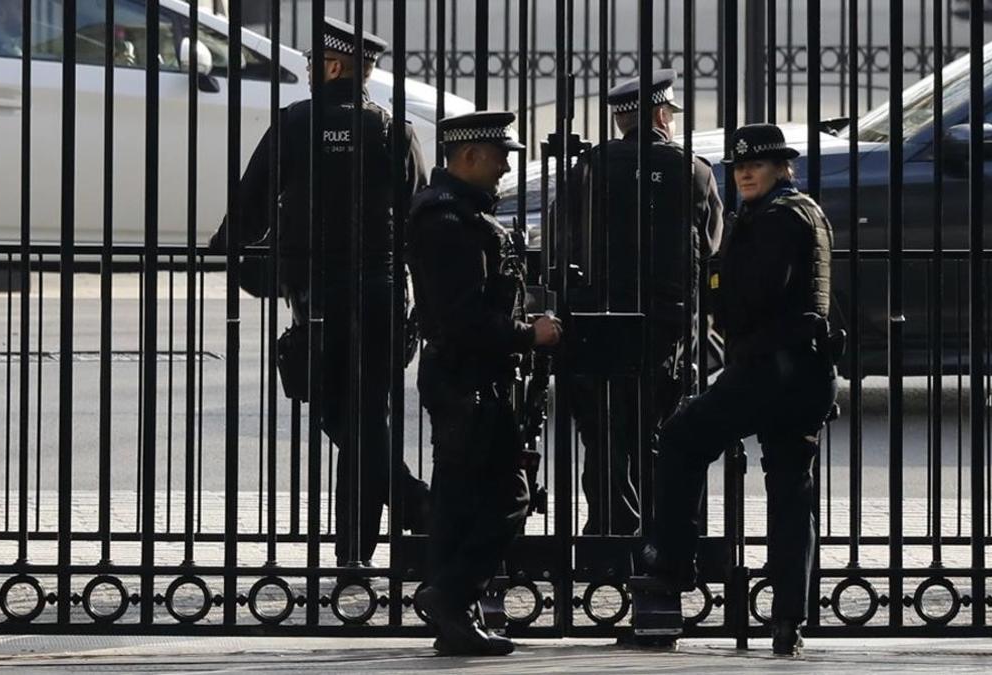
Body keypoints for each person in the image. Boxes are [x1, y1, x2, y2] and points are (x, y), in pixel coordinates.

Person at [208, 17, 430, 568]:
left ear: (332, 66)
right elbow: (418, 220)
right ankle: (365, 543)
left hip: (316, 295)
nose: (309, 72)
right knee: (367, 415)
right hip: (380, 292)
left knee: (337, 413)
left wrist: (242, 261)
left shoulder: (295, 124)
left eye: (312, 64)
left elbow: (248, 206)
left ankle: (404, 517)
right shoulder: (393, 130)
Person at [639, 123, 838, 657]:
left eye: (757, 165)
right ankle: (788, 619)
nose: (745, 173)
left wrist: (717, 282)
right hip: (806, 368)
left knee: (682, 438)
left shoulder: (773, 219)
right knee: (791, 486)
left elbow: (752, 295)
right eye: (739, 166)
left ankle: (672, 567)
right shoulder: (802, 211)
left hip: (768, 368)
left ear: (781, 168)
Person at [409, 111, 563, 656]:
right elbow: (465, 320)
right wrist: (532, 334)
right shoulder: (448, 224)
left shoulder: (456, 215)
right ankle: (450, 597)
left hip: (465, 378)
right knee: (510, 497)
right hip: (469, 379)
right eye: (499, 156)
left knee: (458, 498)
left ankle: (454, 620)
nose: (505, 167)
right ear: (469, 155)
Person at [565, 69, 723, 535]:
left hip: (600, 315)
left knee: (602, 427)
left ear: (621, 120)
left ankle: (607, 526)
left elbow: (563, 241)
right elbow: (711, 244)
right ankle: (660, 531)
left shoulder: (589, 167)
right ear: (661, 113)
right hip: (666, 321)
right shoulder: (692, 169)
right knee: (656, 427)